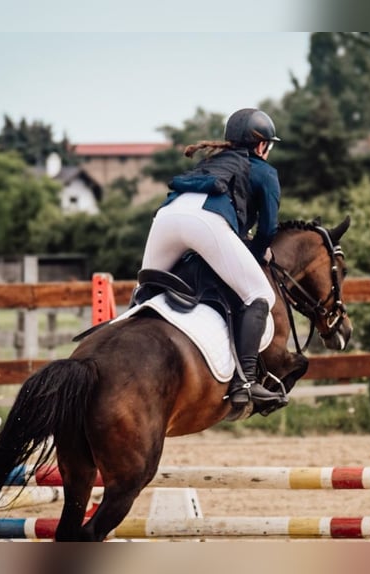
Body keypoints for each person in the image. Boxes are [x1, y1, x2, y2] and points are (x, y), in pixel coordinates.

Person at [140, 108, 286, 409]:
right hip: (205, 222)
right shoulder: (264, 171)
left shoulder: (212, 162)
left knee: (145, 290)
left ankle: (114, 343)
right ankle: (245, 381)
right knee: (259, 294)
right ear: (262, 146)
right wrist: (257, 254)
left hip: (166, 219)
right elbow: (268, 229)